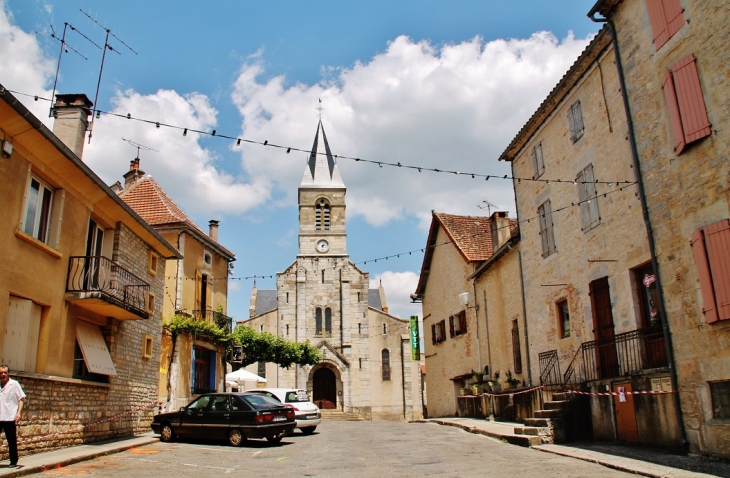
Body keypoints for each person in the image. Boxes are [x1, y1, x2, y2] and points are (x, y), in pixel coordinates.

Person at [0, 365, 25, 469]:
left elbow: (21, 398)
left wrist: (18, 412)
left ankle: (13, 461)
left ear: (8, 373)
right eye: (1, 373)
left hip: (9, 416)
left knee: (11, 440)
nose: (3, 375)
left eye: (5, 372)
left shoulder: (14, 384)